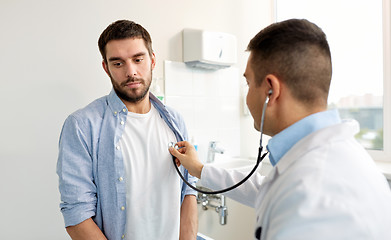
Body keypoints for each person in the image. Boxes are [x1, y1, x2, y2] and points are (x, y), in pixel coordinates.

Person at [169, 19, 391, 240]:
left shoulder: (314, 192)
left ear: (270, 90)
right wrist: (199, 168)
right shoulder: (333, 158)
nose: (247, 97)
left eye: (248, 84)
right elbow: (264, 188)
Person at [57, 20, 198, 240]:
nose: (131, 72)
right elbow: (77, 213)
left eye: (138, 59)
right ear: (106, 68)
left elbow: (189, 191)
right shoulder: (83, 125)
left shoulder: (175, 121)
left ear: (152, 60)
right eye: (118, 63)